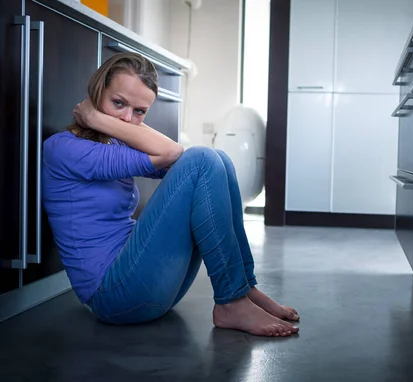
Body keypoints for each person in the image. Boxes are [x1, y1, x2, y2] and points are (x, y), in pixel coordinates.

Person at [42, 52, 299, 337]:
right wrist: (103, 121)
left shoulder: (114, 142)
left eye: (139, 111)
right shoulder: (63, 149)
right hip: (113, 296)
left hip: (147, 286)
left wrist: (108, 121)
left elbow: (180, 163)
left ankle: (243, 289)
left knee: (220, 161)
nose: (127, 118)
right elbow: (175, 153)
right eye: (118, 103)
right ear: (96, 92)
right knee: (202, 159)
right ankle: (232, 301)